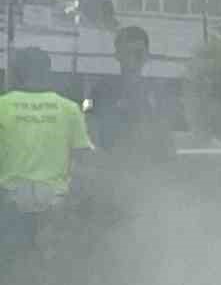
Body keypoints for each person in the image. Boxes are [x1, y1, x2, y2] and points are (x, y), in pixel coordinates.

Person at [0, 47, 93, 253]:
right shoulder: (69, 109)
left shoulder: (2, 106)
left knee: (13, 271)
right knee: (51, 276)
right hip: (55, 209)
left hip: (9, 206)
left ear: (15, 72)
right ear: (47, 71)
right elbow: (84, 160)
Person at [88, 26, 170, 155]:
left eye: (138, 53)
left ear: (147, 56)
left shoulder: (158, 92)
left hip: (149, 169)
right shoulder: (101, 90)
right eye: (127, 52)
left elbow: (165, 135)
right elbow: (90, 125)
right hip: (111, 168)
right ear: (117, 55)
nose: (132, 58)